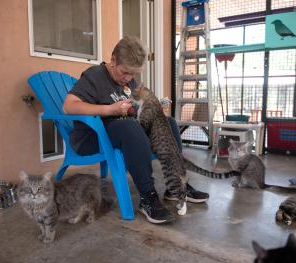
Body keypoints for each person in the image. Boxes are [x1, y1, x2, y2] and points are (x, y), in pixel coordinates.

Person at [63, 36, 209, 224]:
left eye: (133, 74)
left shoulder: (128, 80)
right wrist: (109, 109)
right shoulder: (94, 76)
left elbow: (136, 106)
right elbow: (69, 106)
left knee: (169, 123)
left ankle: (176, 186)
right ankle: (147, 197)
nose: (128, 78)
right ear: (113, 59)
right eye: (125, 73)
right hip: (93, 136)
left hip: (123, 131)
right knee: (130, 128)